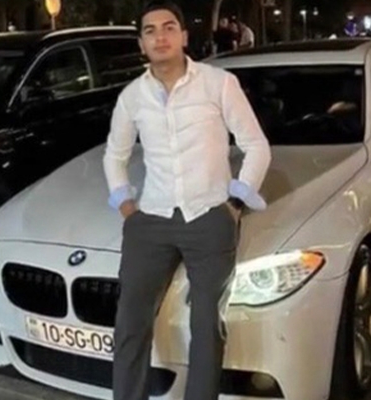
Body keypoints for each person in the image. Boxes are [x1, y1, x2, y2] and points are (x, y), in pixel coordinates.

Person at [102, 1, 272, 400]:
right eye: (150, 31)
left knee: (206, 327)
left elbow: (256, 146)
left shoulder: (218, 83)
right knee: (129, 325)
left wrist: (235, 203)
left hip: (209, 216)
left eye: (168, 28)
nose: (160, 37)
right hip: (151, 220)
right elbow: (114, 155)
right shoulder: (132, 96)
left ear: (183, 36)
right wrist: (126, 206)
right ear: (141, 43)